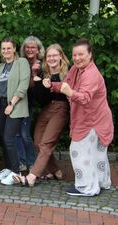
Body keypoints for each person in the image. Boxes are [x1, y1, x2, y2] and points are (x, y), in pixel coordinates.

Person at [43, 38, 113, 196]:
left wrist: (69, 92)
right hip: (93, 119)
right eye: (74, 55)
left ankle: (87, 187)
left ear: (90, 55)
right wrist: (52, 86)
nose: (77, 58)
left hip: (93, 122)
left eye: (81, 54)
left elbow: (84, 98)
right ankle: (102, 182)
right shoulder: (76, 69)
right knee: (96, 153)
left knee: (78, 151)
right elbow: (66, 84)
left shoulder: (91, 74)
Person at [20, 44, 70, 187]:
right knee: (37, 142)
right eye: (49, 56)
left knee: (46, 144)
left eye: (55, 55)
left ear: (61, 56)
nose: (52, 58)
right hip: (47, 109)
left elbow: (71, 95)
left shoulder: (68, 73)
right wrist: (40, 84)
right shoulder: (43, 73)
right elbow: (40, 100)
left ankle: (32, 176)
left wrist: (54, 86)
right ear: (45, 58)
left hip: (61, 109)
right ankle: (56, 170)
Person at [0, 37, 30, 185]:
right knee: (4, 139)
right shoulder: (0, 67)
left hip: (15, 105)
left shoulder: (22, 63)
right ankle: (9, 168)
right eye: (3, 49)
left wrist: (12, 103)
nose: (5, 51)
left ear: (14, 48)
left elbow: (23, 85)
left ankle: (16, 172)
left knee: (9, 138)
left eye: (8, 48)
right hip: (2, 105)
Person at [13, 36, 45, 171]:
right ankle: (22, 162)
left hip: (32, 104)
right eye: (27, 47)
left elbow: (31, 86)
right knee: (16, 134)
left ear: (38, 49)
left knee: (25, 134)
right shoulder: (21, 62)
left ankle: (32, 162)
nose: (30, 49)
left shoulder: (43, 65)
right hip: (19, 102)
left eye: (33, 47)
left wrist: (34, 72)